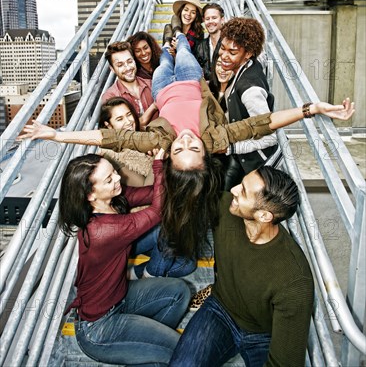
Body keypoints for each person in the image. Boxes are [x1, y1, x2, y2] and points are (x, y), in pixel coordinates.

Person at [19, 31, 355, 260]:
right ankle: (178, 38)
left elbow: (111, 137)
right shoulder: (213, 140)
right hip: (194, 84)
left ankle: (170, 43)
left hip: (164, 87)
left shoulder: (158, 139)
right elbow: (259, 124)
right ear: (206, 156)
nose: (186, 141)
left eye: (179, 151)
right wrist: (313, 108)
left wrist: (57, 135)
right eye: (193, 150)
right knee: (184, 54)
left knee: (165, 62)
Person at [169, 166, 314, 367]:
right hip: (220, 310)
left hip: (263, 335)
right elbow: (187, 193)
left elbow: (285, 363)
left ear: (264, 216)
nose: (234, 189)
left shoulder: (294, 280)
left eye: (244, 191)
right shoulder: (225, 206)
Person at [58, 150, 190, 365]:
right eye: (109, 179)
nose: (118, 178)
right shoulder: (102, 230)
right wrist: (158, 165)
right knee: (181, 350)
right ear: (90, 195)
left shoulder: (113, 201)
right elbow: (157, 211)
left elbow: (151, 193)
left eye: (114, 172)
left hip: (121, 298)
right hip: (99, 329)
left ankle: (147, 349)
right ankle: (151, 349)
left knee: (179, 291)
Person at [98, 96, 196, 278]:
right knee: (169, 229)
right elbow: (148, 188)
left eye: (129, 115)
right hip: (129, 233)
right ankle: (150, 276)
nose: (128, 122)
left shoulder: (139, 141)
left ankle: (133, 274)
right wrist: (157, 159)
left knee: (188, 265)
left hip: (150, 222)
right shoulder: (111, 155)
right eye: (119, 119)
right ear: (108, 126)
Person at [219, 17, 282, 186]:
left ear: (248, 53)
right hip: (243, 157)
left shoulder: (250, 91)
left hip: (257, 164)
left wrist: (232, 148)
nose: (224, 56)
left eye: (232, 52)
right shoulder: (247, 66)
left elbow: (271, 138)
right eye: (222, 48)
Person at [102, 41, 158, 127]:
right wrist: (154, 106)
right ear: (112, 69)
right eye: (120, 65)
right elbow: (125, 128)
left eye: (129, 61)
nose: (128, 68)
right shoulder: (110, 97)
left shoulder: (152, 84)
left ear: (134, 61)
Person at [196, 3, 225, 80]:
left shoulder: (230, 43)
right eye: (207, 19)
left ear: (222, 20)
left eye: (214, 18)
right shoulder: (200, 46)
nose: (210, 21)